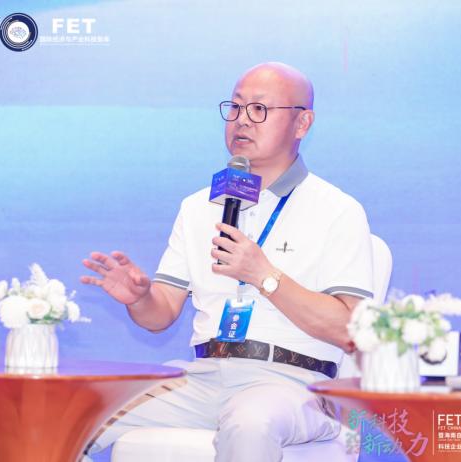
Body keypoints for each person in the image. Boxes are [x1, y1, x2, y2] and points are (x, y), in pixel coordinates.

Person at [81, 62, 374, 462]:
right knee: (80, 411)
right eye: (235, 107)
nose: (242, 120)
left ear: (302, 123)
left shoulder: (337, 209)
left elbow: (350, 329)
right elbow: (160, 315)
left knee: (250, 421)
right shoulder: (198, 206)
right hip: (202, 378)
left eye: (259, 109)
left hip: (294, 383)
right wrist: (140, 297)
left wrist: (264, 275)